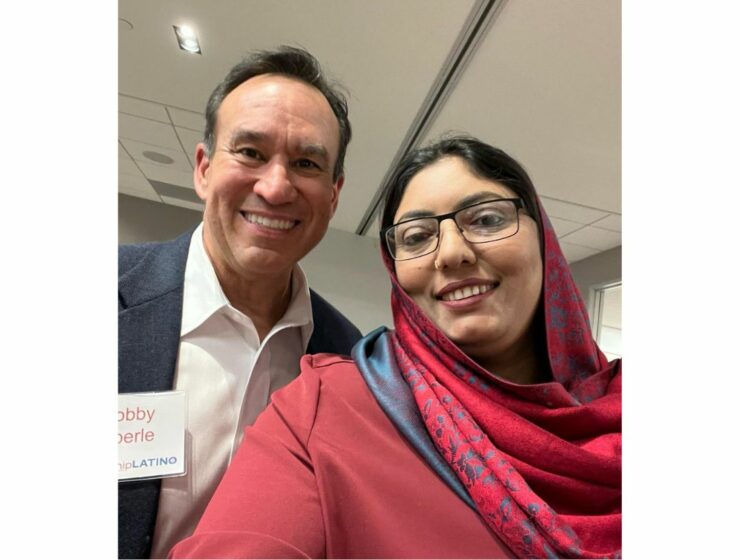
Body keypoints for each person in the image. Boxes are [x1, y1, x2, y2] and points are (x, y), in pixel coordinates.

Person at [170, 136, 622, 559]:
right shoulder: (326, 406)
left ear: (543, 238)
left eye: (486, 219)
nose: (451, 253)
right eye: (417, 236)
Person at [118, 46, 362, 559]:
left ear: (334, 194)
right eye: (250, 152)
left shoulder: (350, 361)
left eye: (306, 163)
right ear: (204, 168)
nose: (275, 188)